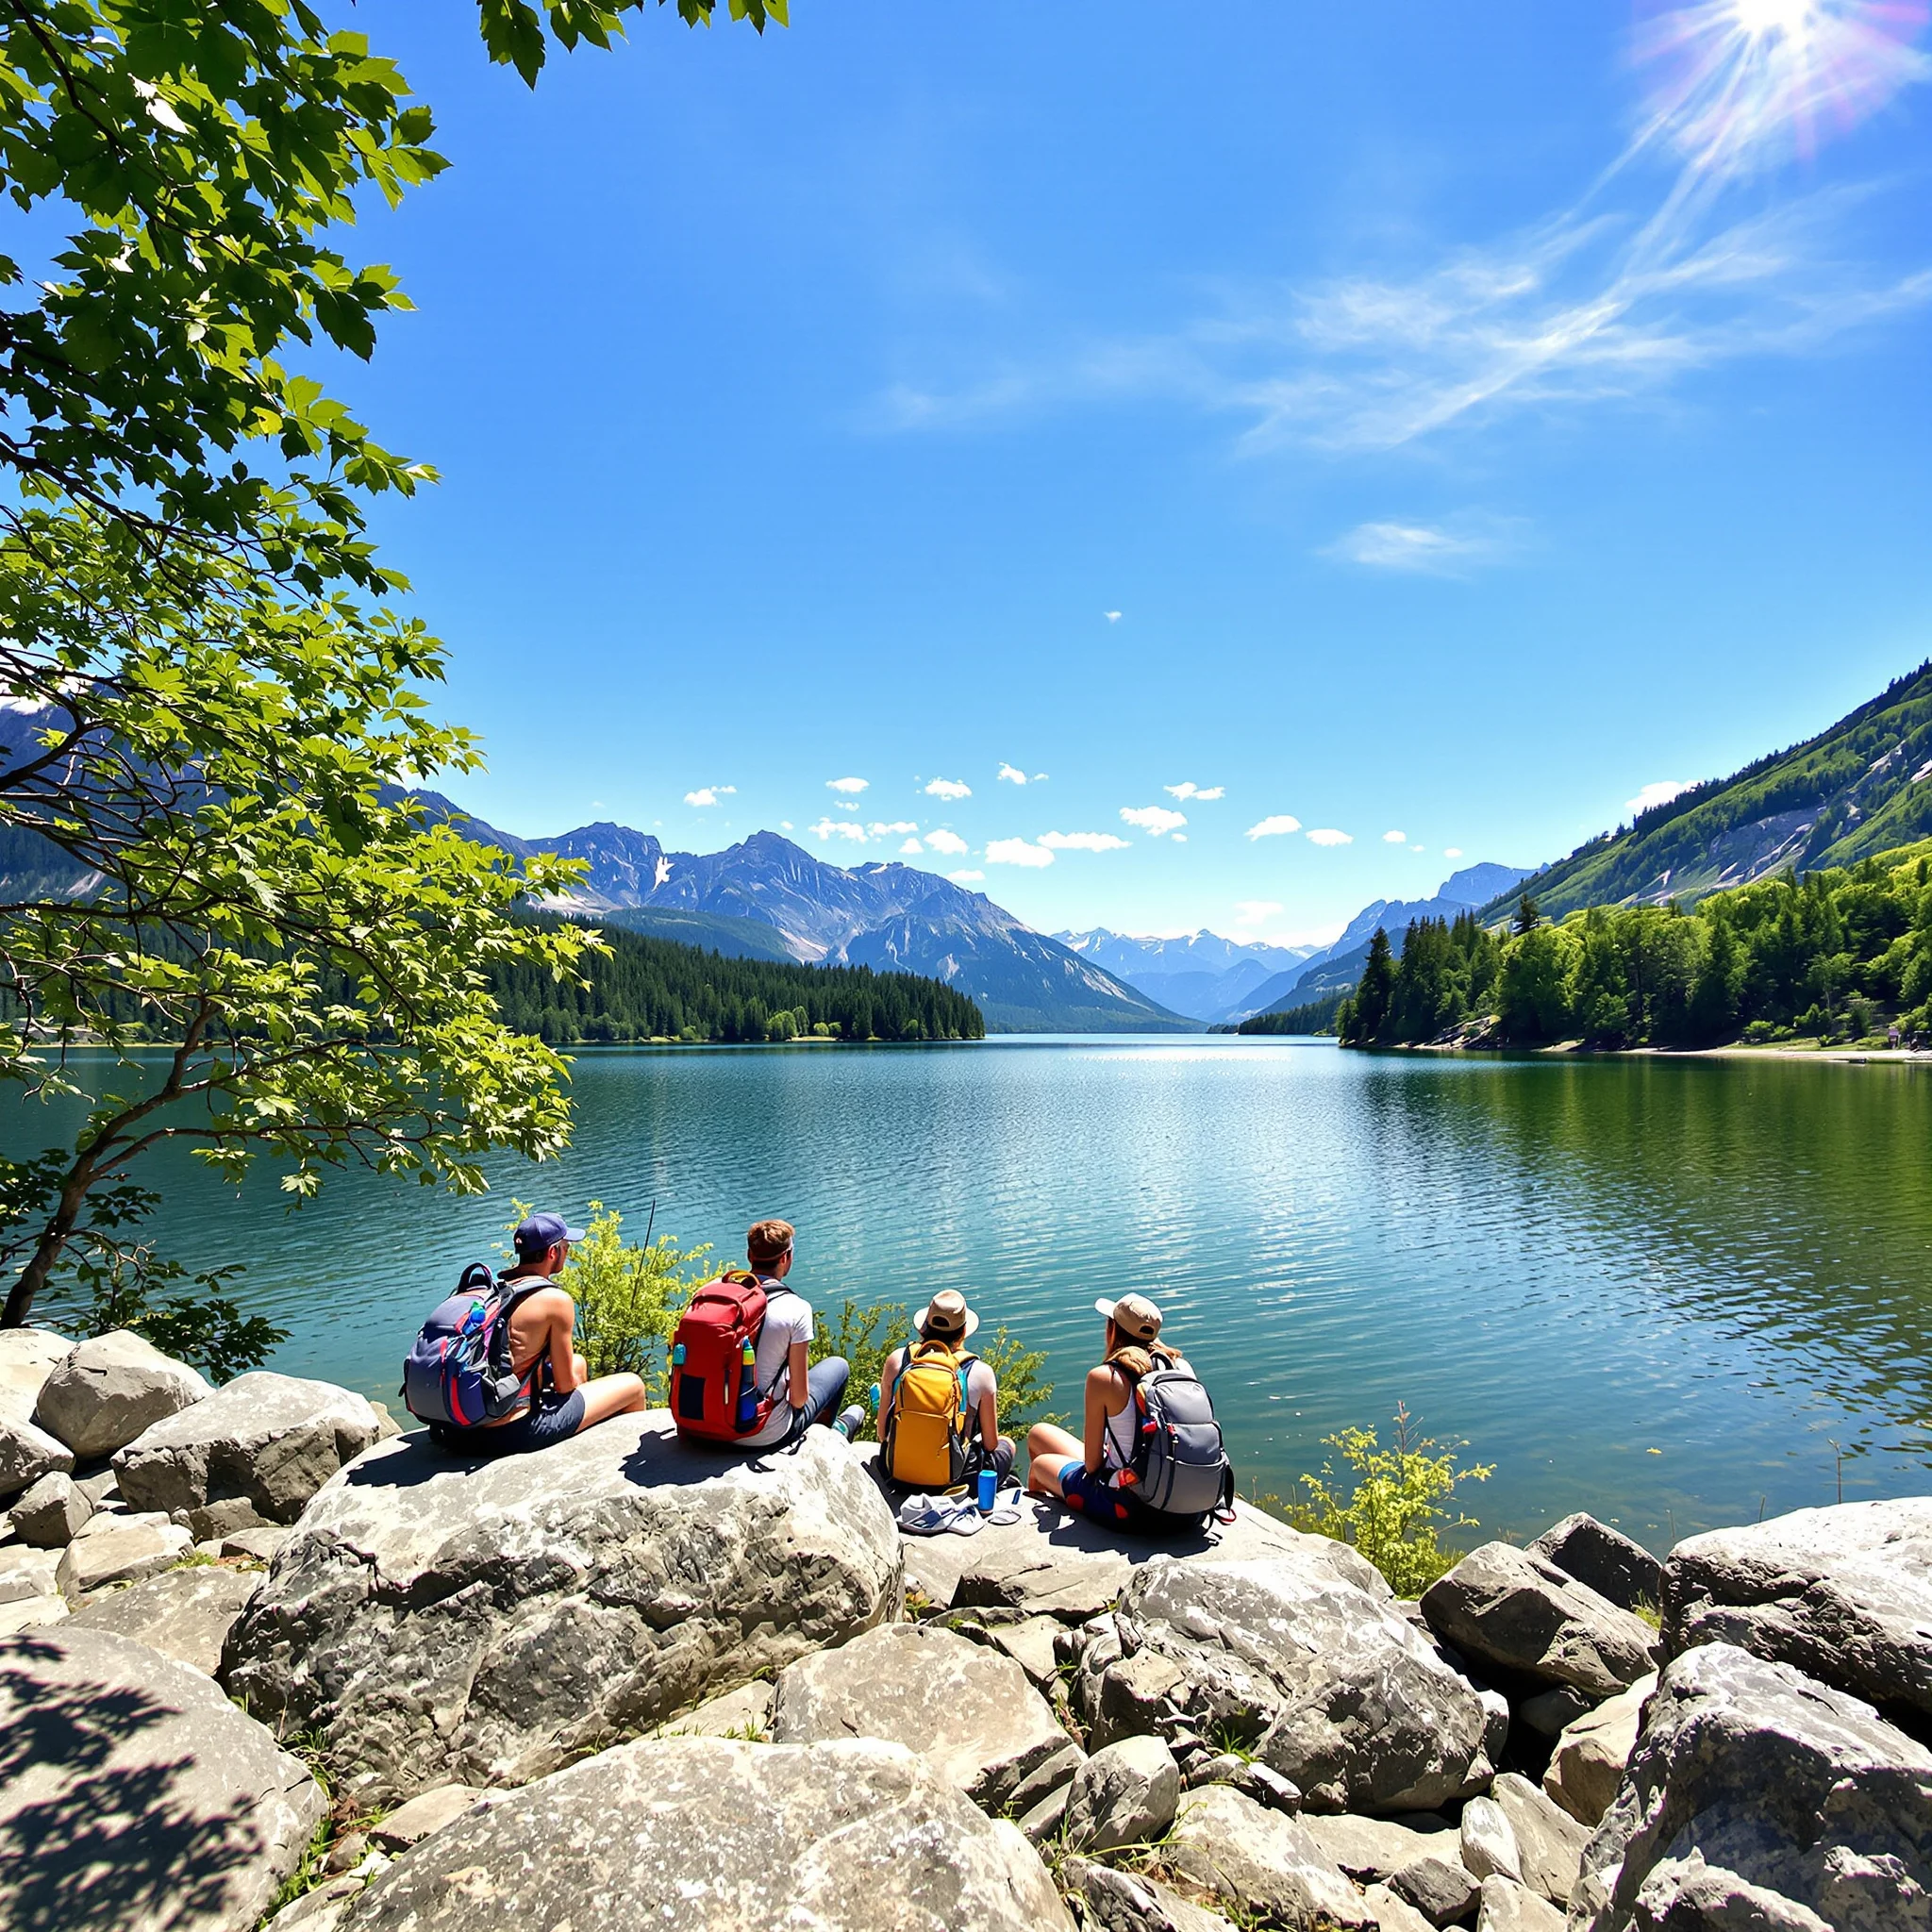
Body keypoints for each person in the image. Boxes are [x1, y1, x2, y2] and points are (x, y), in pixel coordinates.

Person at [471, 1211, 647, 1454]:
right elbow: (565, 1386)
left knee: (578, 1363)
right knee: (634, 1385)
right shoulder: (554, 1300)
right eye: (566, 1246)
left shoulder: (496, 1293)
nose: (568, 1252)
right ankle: (612, 1463)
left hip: (464, 1428)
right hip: (510, 1432)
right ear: (553, 1252)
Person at [1026, 1291, 1189, 1530]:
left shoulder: (1105, 1377)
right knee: (1039, 1433)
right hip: (1183, 1502)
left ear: (1112, 1329)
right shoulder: (1180, 1368)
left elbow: (1092, 1466)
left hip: (1132, 1505)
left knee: (1040, 1465)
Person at [734, 1218, 858, 1450]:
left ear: (749, 1255)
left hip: (701, 1425)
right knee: (838, 1366)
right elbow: (798, 1399)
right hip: (761, 1433)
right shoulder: (795, 1308)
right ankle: (826, 1440)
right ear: (785, 1258)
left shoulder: (712, 1293)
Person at [876, 1290, 1015, 1489]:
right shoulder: (980, 1372)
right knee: (1006, 1445)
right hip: (953, 1479)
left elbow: (882, 1434)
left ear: (924, 1326)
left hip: (896, 1472)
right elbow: (990, 1444)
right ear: (964, 1332)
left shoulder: (898, 1360)